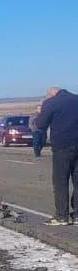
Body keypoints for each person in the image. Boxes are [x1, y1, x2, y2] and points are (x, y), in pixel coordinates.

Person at [37, 86, 78, 224]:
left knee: (61, 181)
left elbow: (41, 124)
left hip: (62, 146)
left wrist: (41, 111)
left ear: (51, 94)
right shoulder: (76, 99)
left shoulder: (51, 103)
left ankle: (62, 216)